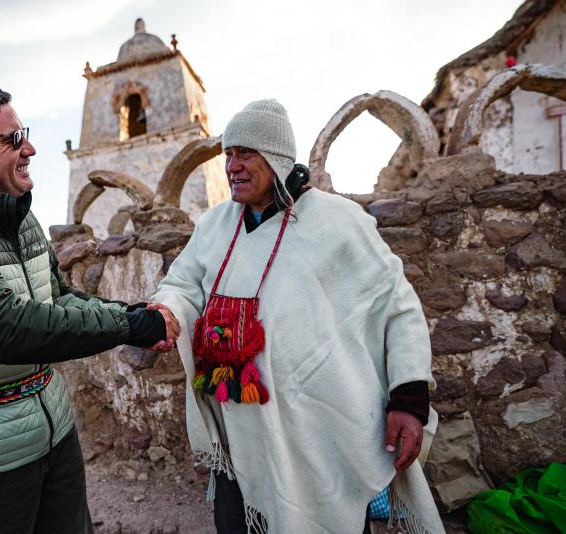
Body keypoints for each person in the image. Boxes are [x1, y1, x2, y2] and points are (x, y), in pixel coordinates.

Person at [0, 87, 179, 534]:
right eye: (13, 138)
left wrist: (133, 314)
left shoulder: (19, 217)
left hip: (53, 433)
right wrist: (131, 325)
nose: (30, 148)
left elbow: (58, 298)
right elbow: (4, 327)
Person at [150, 99, 444, 533]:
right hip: (240, 432)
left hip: (319, 429)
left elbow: (396, 306)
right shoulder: (214, 225)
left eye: (245, 153)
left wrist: (409, 397)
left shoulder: (339, 223)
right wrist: (165, 312)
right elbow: (181, 285)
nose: (232, 166)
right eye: (228, 154)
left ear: (277, 157)